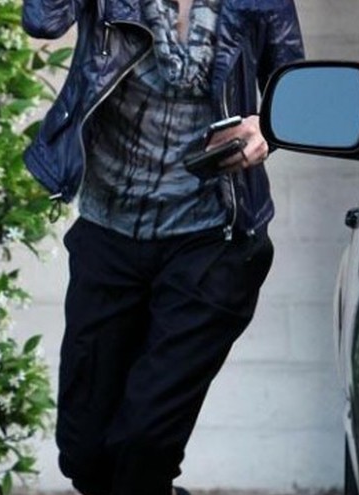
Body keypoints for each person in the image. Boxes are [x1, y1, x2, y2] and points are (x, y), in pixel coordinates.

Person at [21, 0, 304, 493]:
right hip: (109, 233)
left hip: (213, 239)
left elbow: (296, 93)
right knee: (84, 453)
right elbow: (43, 21)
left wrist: (265, 128)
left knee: (146, 442)